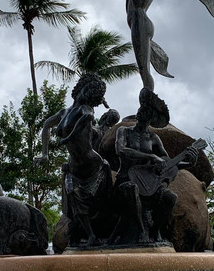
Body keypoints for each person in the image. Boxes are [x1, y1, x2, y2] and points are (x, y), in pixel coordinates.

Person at [112, 88, 196, 245]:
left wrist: (190, 163)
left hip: (149, 186)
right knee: (131, 189)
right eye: (140, 107)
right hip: (125, 180)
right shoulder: (123, 131)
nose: (140, 110)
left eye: (145, 109)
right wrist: (150, 156)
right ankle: (142, 231)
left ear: (150, 116)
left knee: (170, 198)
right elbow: (121, 150)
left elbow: (168, 164)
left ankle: (156, 230)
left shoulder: (154, 138)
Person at [38, 73, 113, 247]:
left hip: (93, 166)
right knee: (72, 195)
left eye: (93, 94)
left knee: (96, 203)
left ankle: (96, 235)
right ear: (81, 88)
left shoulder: (86, 111)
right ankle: (90, 236)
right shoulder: (64, 112)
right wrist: (44, 154)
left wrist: (65, 139)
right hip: (75, 167)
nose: (89, 95)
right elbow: (46, 125)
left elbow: (84, 121)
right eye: (89, 90)